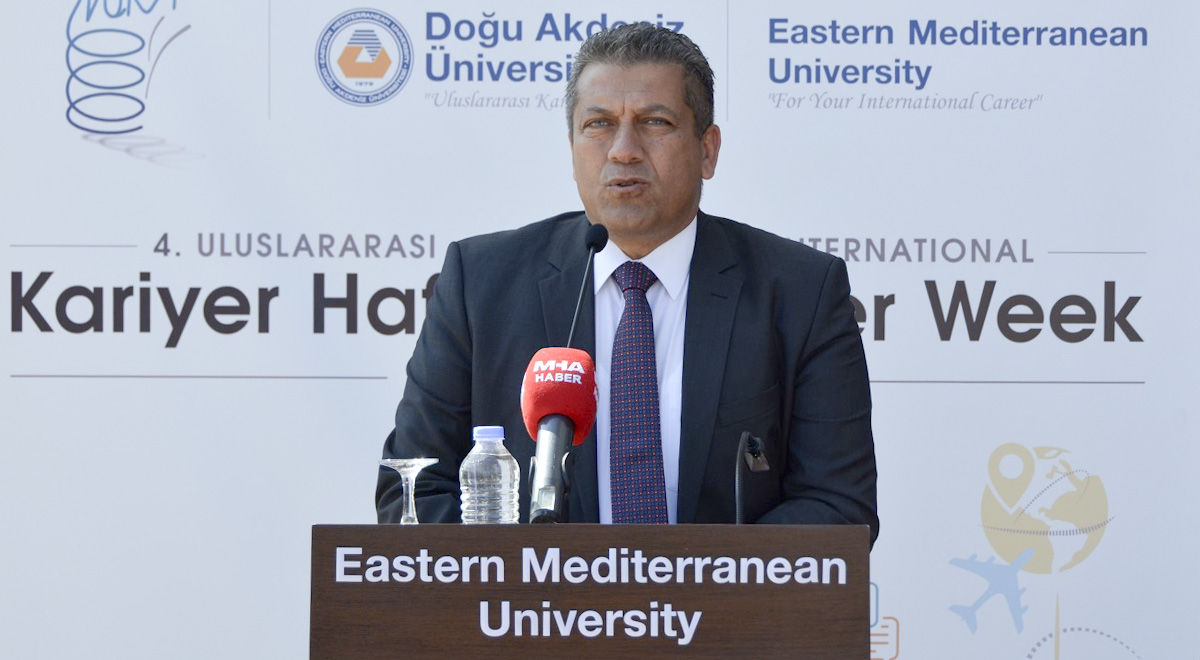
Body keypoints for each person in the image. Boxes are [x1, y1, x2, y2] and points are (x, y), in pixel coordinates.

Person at [376, 23, 878, 544]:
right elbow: (412, 490)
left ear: (707, 150)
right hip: (532, 596)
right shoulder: (480, 284)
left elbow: (838, 505)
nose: (623, 150)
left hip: (725, 599)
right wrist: (534, 581)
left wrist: (685, 580)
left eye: (654, 122)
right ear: (572, 146)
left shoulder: (800, 292)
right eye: (598, 124)